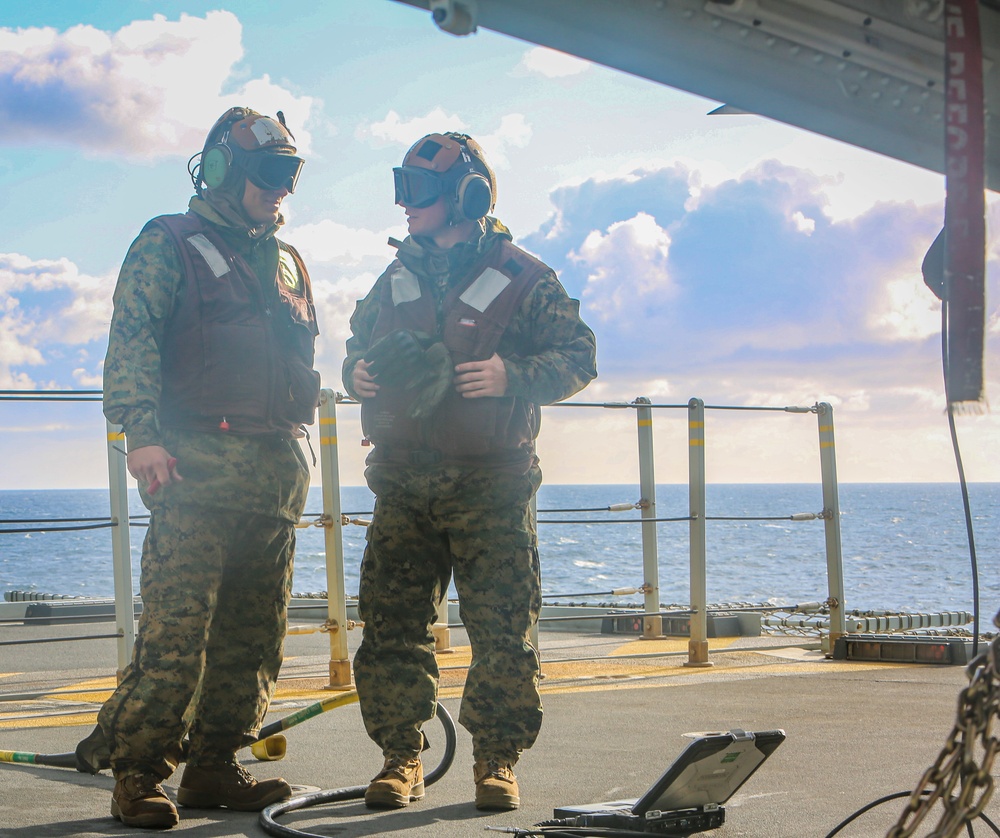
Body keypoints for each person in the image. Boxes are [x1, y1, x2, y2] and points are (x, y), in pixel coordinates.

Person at [342, 132, 597, 812]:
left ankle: (496, 760)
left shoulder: (525, 277)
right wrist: (356, 373)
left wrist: (514, 375)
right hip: (403, 482)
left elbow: (578, 355)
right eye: (400, 188)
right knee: (391, 627)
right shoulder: (395, 277)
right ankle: (402, 760)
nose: (404, 204)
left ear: (468, 195)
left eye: (417, 192)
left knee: (503, 631)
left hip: (492, 484)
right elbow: (355, 347)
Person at [95, 106, 320, 829]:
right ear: (222, 170)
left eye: (290, 175)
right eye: (268, 173)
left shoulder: (286, 261)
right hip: (194, 477)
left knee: (253, 640)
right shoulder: (169, 243)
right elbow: (132, 342)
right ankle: (137, 774)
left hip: (275, 482)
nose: (280, 189)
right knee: (175, 638)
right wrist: (143, 435)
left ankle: (216, 767)